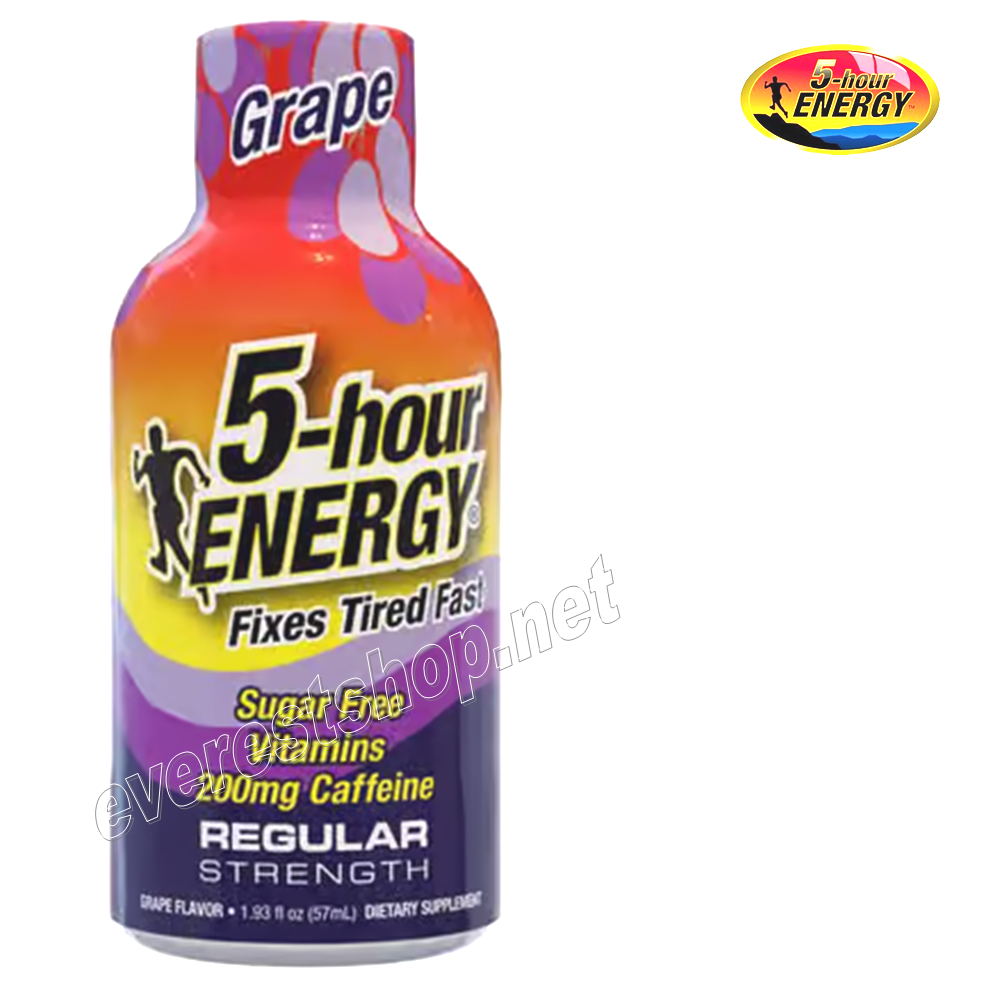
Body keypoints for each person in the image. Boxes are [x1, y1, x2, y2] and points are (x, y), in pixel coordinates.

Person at [132, 420, 212, 609]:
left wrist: (201, 474)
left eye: (157, 438)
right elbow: (138, 479)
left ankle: (199, 584)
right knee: (168, 543)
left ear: (162, 439)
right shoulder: (149, 461)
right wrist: (135, 461)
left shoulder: (168, 456)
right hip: (159, 509)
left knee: (176, 547)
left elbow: (188, 453)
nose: (154, 442)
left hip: (171, 508)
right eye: (152, 439)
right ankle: (162, 560)